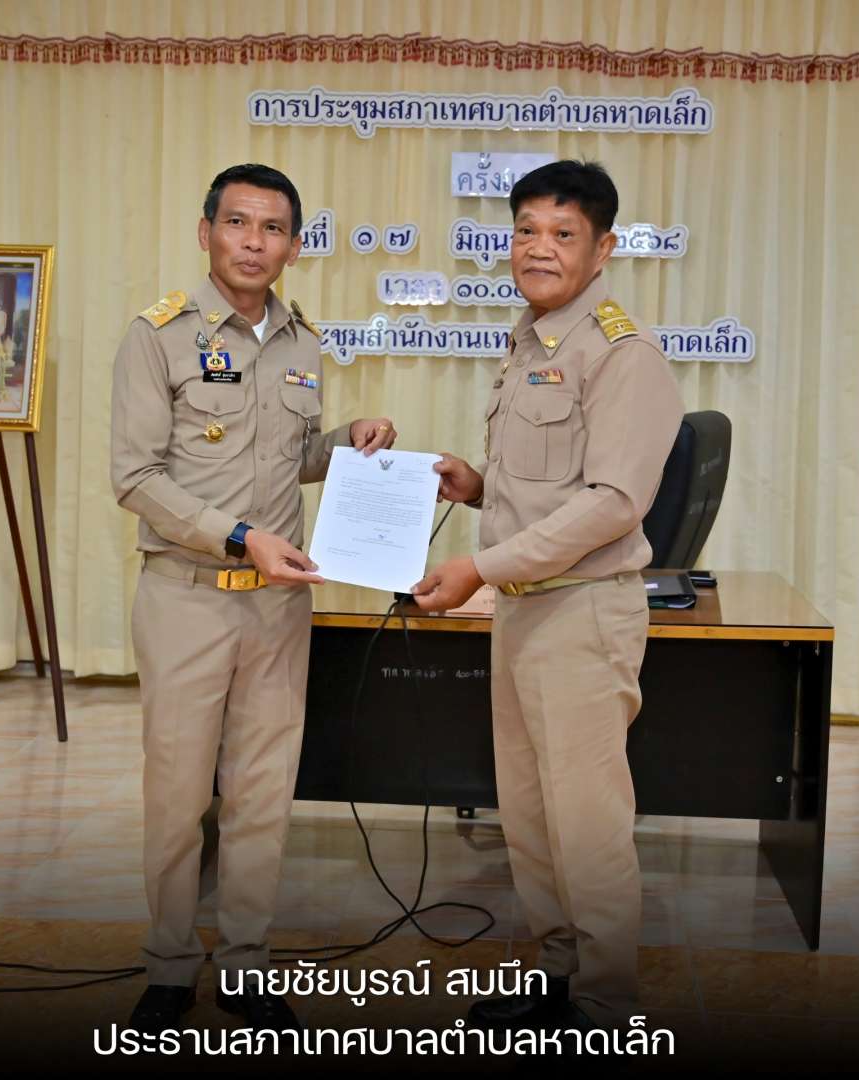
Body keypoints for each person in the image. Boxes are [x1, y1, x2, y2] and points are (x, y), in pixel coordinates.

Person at [110, 163, 396, 1036]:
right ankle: (169, 967)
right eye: (237, 223)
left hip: (278, 607)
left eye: (272, 229)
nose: (253, 242)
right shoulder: (158, 336)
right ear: (206, 232)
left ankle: (244, 965)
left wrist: (349, 441)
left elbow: (289, 457)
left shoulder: (303, 343)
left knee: (262, 793)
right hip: (187, 597)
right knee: (177, 795)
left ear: (295, 247)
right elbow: (135, 478)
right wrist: (239, 537)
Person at [411, 160, 684, 1032]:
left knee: (587, 825)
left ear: (602, 249)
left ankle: (605, 1008)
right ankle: (559, 979)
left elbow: (612, 504)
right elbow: (548, 486)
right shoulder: (531, 341)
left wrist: (480, 568)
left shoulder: (623, 354)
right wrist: (477, 486)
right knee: (530, 817)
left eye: (563, 234)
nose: (540, 248)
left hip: (583, 613)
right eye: (527, 230)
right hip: (526, 609)